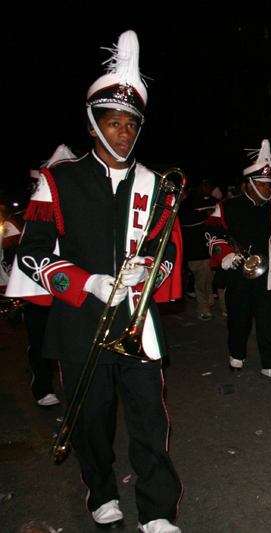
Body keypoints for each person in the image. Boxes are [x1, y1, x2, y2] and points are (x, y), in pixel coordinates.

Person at [8, 31, 183, 533]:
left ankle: (155, 510)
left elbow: (167, 251)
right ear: (93, 126)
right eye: (114, 122)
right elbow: (32, 255)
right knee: (91, 423)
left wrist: (151, 271)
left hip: (136, 323)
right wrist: (89, 283)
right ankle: (101, 491)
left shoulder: (154, 184)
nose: (125, 133)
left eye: (132, 124)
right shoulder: (57, 181)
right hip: (81, 322)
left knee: (151, 423)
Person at [206, 139, 271, 376]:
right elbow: (211, 235)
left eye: (269, 184)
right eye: (263, 184)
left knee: (268, 322)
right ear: (250, 183)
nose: (269, 189)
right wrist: (224, 254)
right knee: (238, 320)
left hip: (268, 276)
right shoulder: (227, 206)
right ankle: (236, 355)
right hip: (238, 274)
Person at [3, 146, 78, 408]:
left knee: (74, 344)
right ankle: (43, 388)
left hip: (74, 287)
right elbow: (14, 251)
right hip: (38, 288)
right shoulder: (22, 215)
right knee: (40, 343)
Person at [179, 178, 218, 320]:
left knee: (217, 279)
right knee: (201, 281)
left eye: (209, 184)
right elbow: (183, 222)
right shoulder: (187, 203)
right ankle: (203, 308)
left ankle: (223, 307)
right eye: (204, 184)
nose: (208, 186)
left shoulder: (215, 201)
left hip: (215, 249)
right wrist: (204, 214)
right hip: (196, 250)